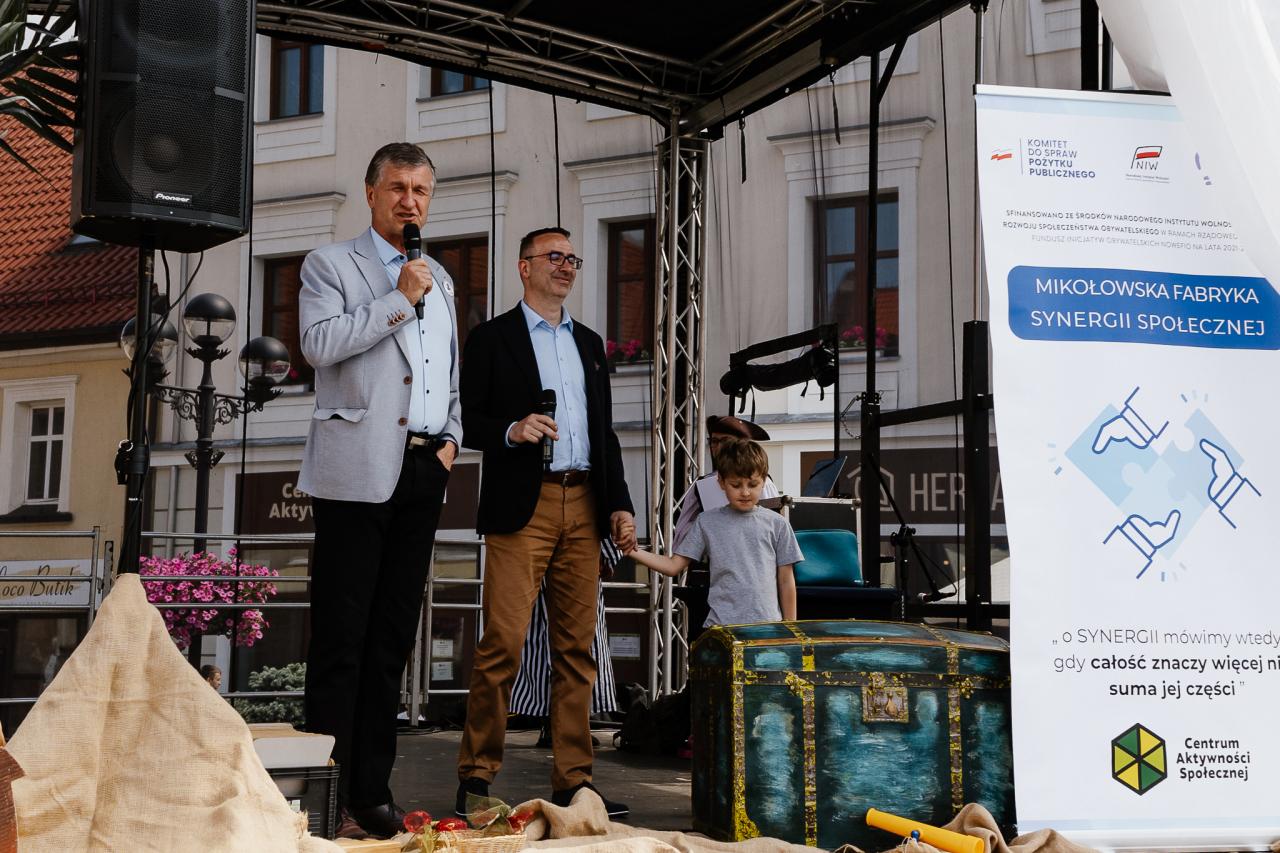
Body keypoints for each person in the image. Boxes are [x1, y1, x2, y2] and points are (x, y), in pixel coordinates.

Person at [298, 142, 461, 840]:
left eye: (420, 190)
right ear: (371, 193)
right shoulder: (330, 264)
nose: (410, 201)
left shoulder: (442, 278)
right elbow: (318, 344)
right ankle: (325, 793)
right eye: (397, 188)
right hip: (355, 468)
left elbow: (446, 372)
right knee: (343, 637)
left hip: (424, 468)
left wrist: (451, 440)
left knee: (392, 638)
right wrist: (399, 300)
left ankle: (371, 792)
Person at [457, 226, 635, 819]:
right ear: (524, 266)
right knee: (502, 644)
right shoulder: (492, 338)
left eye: (572, 258)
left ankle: (574, 782)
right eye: (554, 256)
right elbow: (466, 419)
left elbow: (604, 433)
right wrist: (513, 429)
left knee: (577, 651)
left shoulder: (590, 343)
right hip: (522, 506)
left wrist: (620, 502)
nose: (565, 266)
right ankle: (476, 777)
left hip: (584, 502)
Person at [629, 438, 801, 627]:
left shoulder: (778, 524)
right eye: (736, 485)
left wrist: (791, 629)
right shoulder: (706, 521)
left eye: (753, 484)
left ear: (764, 481)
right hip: (720, 627)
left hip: (767, 628)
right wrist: (630, 550)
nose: (745, 492)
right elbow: (673, 566)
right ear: (721, 482)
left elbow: (786, 581)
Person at [509, 540, 623, 746]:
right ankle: (559, 724)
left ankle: (569, 723)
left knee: (573, 642)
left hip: (569, 553)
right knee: (559, 642)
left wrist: (605, 555)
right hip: (551, 555)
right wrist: (606, 555)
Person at [672, 415, 779, 549]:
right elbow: (681, 534)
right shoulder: (701, 486)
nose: (718, 446)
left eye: (725, 440)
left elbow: (774, 528)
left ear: (741, 444)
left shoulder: (762, 482)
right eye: (714, 441)